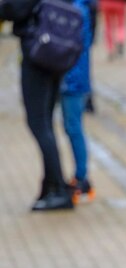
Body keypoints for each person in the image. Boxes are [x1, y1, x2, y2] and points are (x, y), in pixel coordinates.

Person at [0, 0, 75, 211]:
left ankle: (58, 188)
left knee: (38, 123)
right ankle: (51, 184)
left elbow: (15, 8)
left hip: (38, 53)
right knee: (45, 123)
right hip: (54, 49)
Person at [61, 0, 96, 202]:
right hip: (71, 78)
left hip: (73, 80)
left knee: (74, 127)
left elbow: (76, 47)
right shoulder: (78, 7)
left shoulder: (77, 10)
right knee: (71, 127)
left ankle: (82, 178)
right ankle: (80, 176)